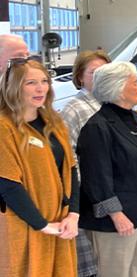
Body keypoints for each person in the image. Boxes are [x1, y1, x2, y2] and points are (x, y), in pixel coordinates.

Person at [77, 61, 137, 276]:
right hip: (116, 220)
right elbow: (96, 178)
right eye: (134, 83)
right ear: (117, 87)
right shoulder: (98, 127)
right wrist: (116, 215)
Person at [0, 59, 78, 276]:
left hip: (60, 223)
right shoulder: (4, 127)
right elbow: (7, 183)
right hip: (26, 226)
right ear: (14, 87)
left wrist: (73, 214)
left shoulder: (54, 122)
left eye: (44, 81)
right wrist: (42, 224)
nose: (40, 88)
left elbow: (71, 170)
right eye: (30, 83)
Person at [60, 50, 110, 277]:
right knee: (96, 262)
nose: (100, 77)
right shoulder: (75, 109)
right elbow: (69, 157)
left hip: (118, 195)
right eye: (93, 73)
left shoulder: (113, 104)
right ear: (80, 77)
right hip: (92, 198)